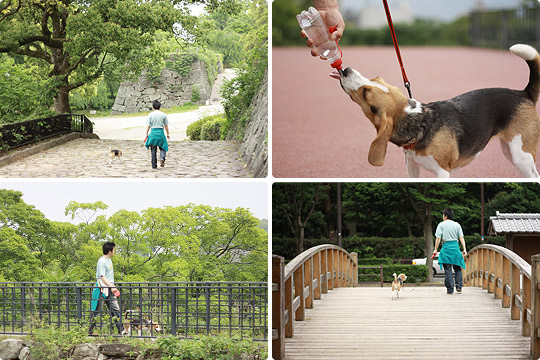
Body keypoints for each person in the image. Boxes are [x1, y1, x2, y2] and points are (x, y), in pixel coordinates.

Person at [89, 241, 123, 335]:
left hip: (110, 288)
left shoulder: (109, 260)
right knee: (97, 310)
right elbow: (102, 276)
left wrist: (112, 286)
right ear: (109, 251)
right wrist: (111, 286)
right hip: (102, 288)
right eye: (114, 250)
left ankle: (122, 330)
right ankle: (89, 331)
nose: (114, 251)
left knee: (115, 309)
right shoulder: (102, 261)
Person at [433, 208, 467, 295]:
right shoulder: (457, 225)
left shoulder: (441, 225)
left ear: (445, 216)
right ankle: (459, 286)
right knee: (457, 269)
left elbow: (438, 238)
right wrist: (464, 249)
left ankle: (450, 289)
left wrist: (435, 249)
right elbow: (461, 238)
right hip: (455, 248)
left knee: (448, 270)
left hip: (446, 248)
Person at [144, 100, 170, 169]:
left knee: (153, 150)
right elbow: (166, 125)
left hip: (153, 133)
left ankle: (154, 165)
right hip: (160, 133)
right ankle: (162, 157)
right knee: (163, 147)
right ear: (160, 107)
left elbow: (148, 125)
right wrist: (168, 133)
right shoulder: (163, 115)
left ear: (153, 107)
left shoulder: (150, 115)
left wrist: (146, 134)